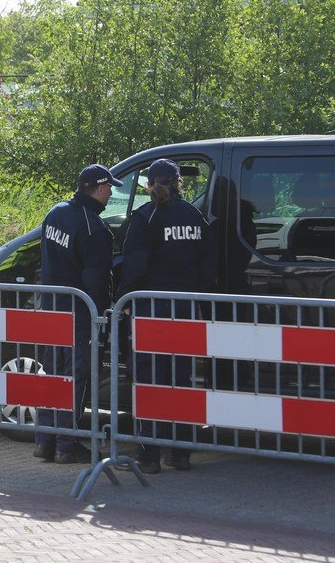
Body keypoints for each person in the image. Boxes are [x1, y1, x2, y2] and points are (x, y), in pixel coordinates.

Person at [117, 158, 216, 474]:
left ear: (149, 186)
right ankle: (181, 453)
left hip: (151, 309)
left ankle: (148, 457)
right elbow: (207, 265)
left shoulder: (145, 218)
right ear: (178, 184)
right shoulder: (195, 216)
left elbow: (134, 265)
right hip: (185, 308)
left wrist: (123, 299)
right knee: (181, 380)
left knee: (149, 380)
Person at [33, 164, 121, 464]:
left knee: (51, 375)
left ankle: (44, 440)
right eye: (109, 187)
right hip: (78, 316)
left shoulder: (55, 213)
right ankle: (66, 445)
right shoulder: (94, 228)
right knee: (75, 377)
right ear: (98, 189)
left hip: (50, 309)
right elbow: (97, 282)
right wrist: (103, 317)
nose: (111, 192)